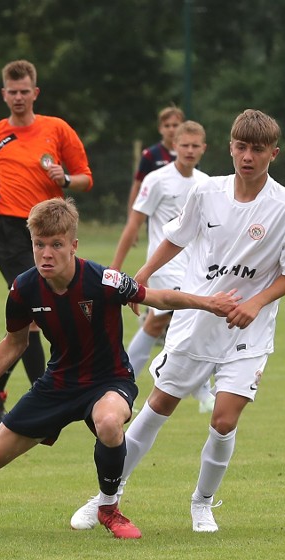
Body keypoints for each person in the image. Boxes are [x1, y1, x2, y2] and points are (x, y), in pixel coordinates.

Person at [0, 197, 240, 539]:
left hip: (108, 381)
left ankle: (109, 508)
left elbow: (156, 296)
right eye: (39, 244)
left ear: (73, 245)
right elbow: (14, 342)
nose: (46, 254)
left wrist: (208, 303)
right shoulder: (23, 289)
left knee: (110, 422)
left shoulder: (103, 281)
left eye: (55, 245)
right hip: (57, 385)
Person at [70, 109, 285, 535]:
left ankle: (202, 502)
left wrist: (255, 304)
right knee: (159, 405)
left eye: (257, 149)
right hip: (196, 320)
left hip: (247, 331)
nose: (247, 157)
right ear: (230, 147)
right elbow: (175, 239)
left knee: (224, 420)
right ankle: (108, 496)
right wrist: (138, 279)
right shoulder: (207, 193)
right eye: (240, 147)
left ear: (274, 153)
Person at [0, 59, 93, 426]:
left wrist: (65, 179)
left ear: (35, 93)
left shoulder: (57, 129)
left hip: (48, 231)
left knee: (34, 317)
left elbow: (86, 178)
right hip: (8, 231)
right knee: (36, 315)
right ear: (4, 94)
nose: (19, 97)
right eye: (12, 91)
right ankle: (46, 397)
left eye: (25, 91)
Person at [109, 121, 215, 419]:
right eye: (185, 145)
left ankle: (120, 385)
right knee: (187, 317)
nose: (190, 150)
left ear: (204, 149)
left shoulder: (206, 183)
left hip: (196, 267)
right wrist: (116, 269)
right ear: (174, 147)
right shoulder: (156, 180)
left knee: (158, 325)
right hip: (165, 266)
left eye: (196, 146)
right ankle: (202, 390)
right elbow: (134, 223)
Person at [123, 105, 185, 239]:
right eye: (167, 125)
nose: (171, 129)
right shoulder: (150, 155)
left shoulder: (189, 155)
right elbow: (137, 186)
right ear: (160, 129)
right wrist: (132, 222)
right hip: (159, 217)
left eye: (175, 125)